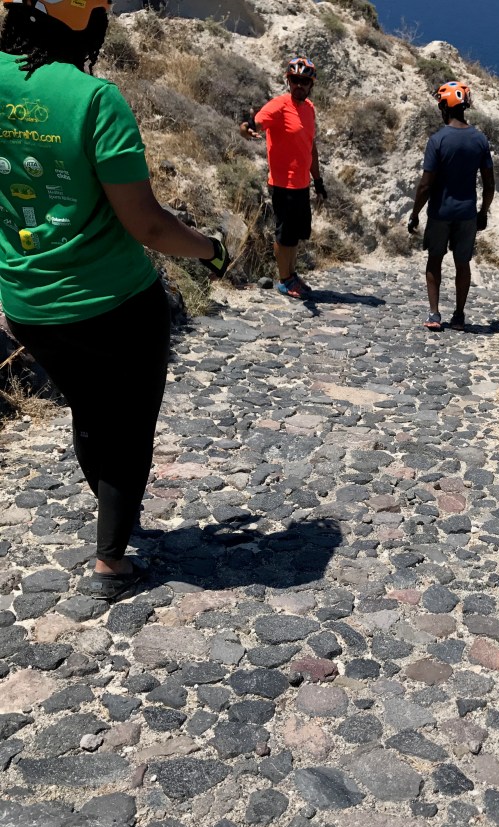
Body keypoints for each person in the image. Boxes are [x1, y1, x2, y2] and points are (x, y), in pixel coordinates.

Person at [0, 0, 230, 600]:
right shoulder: (95, 100)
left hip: (27, 303)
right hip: (115, 303)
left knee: (87, 407)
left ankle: (113, 512)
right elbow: (148, 225)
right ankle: (111, 563)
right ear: (89, 23)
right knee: (128, 426)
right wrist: (210, 249)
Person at [408, 81, 495, 331]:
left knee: (435, 260)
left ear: (444, 107)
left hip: (440, 212)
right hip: (467, 214)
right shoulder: (480, 140)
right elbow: (489, 184)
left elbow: (425, 185)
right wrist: (483, 212)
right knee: (462, 263)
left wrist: (415, 213)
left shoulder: (437, 140)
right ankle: (458, 316)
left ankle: (434, 314)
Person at [239, 56, 327, 300]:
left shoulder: (309, 109)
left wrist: (318, 182)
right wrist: (247, 129)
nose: (299, 85)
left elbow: (311, 148)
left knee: (295, 235)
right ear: (288, 81)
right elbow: (253, 124)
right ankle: (284, 280)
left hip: (302, 184)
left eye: (304, 81)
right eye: (295, 80)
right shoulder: (278, 106)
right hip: (282, 183)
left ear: (311, 85)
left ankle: (292, 275)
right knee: (284, 235)